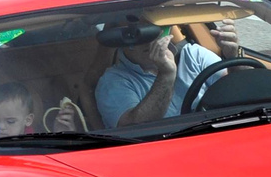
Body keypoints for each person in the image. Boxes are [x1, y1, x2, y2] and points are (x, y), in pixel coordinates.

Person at [95, 20, 241, 128]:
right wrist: (166, 75)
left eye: (155, 28)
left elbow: (237, 92)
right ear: (122, 39)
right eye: (140, 33)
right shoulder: (113, 81)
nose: (150, 40)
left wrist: (233, 58)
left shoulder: (193, 54)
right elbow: (134, 128)